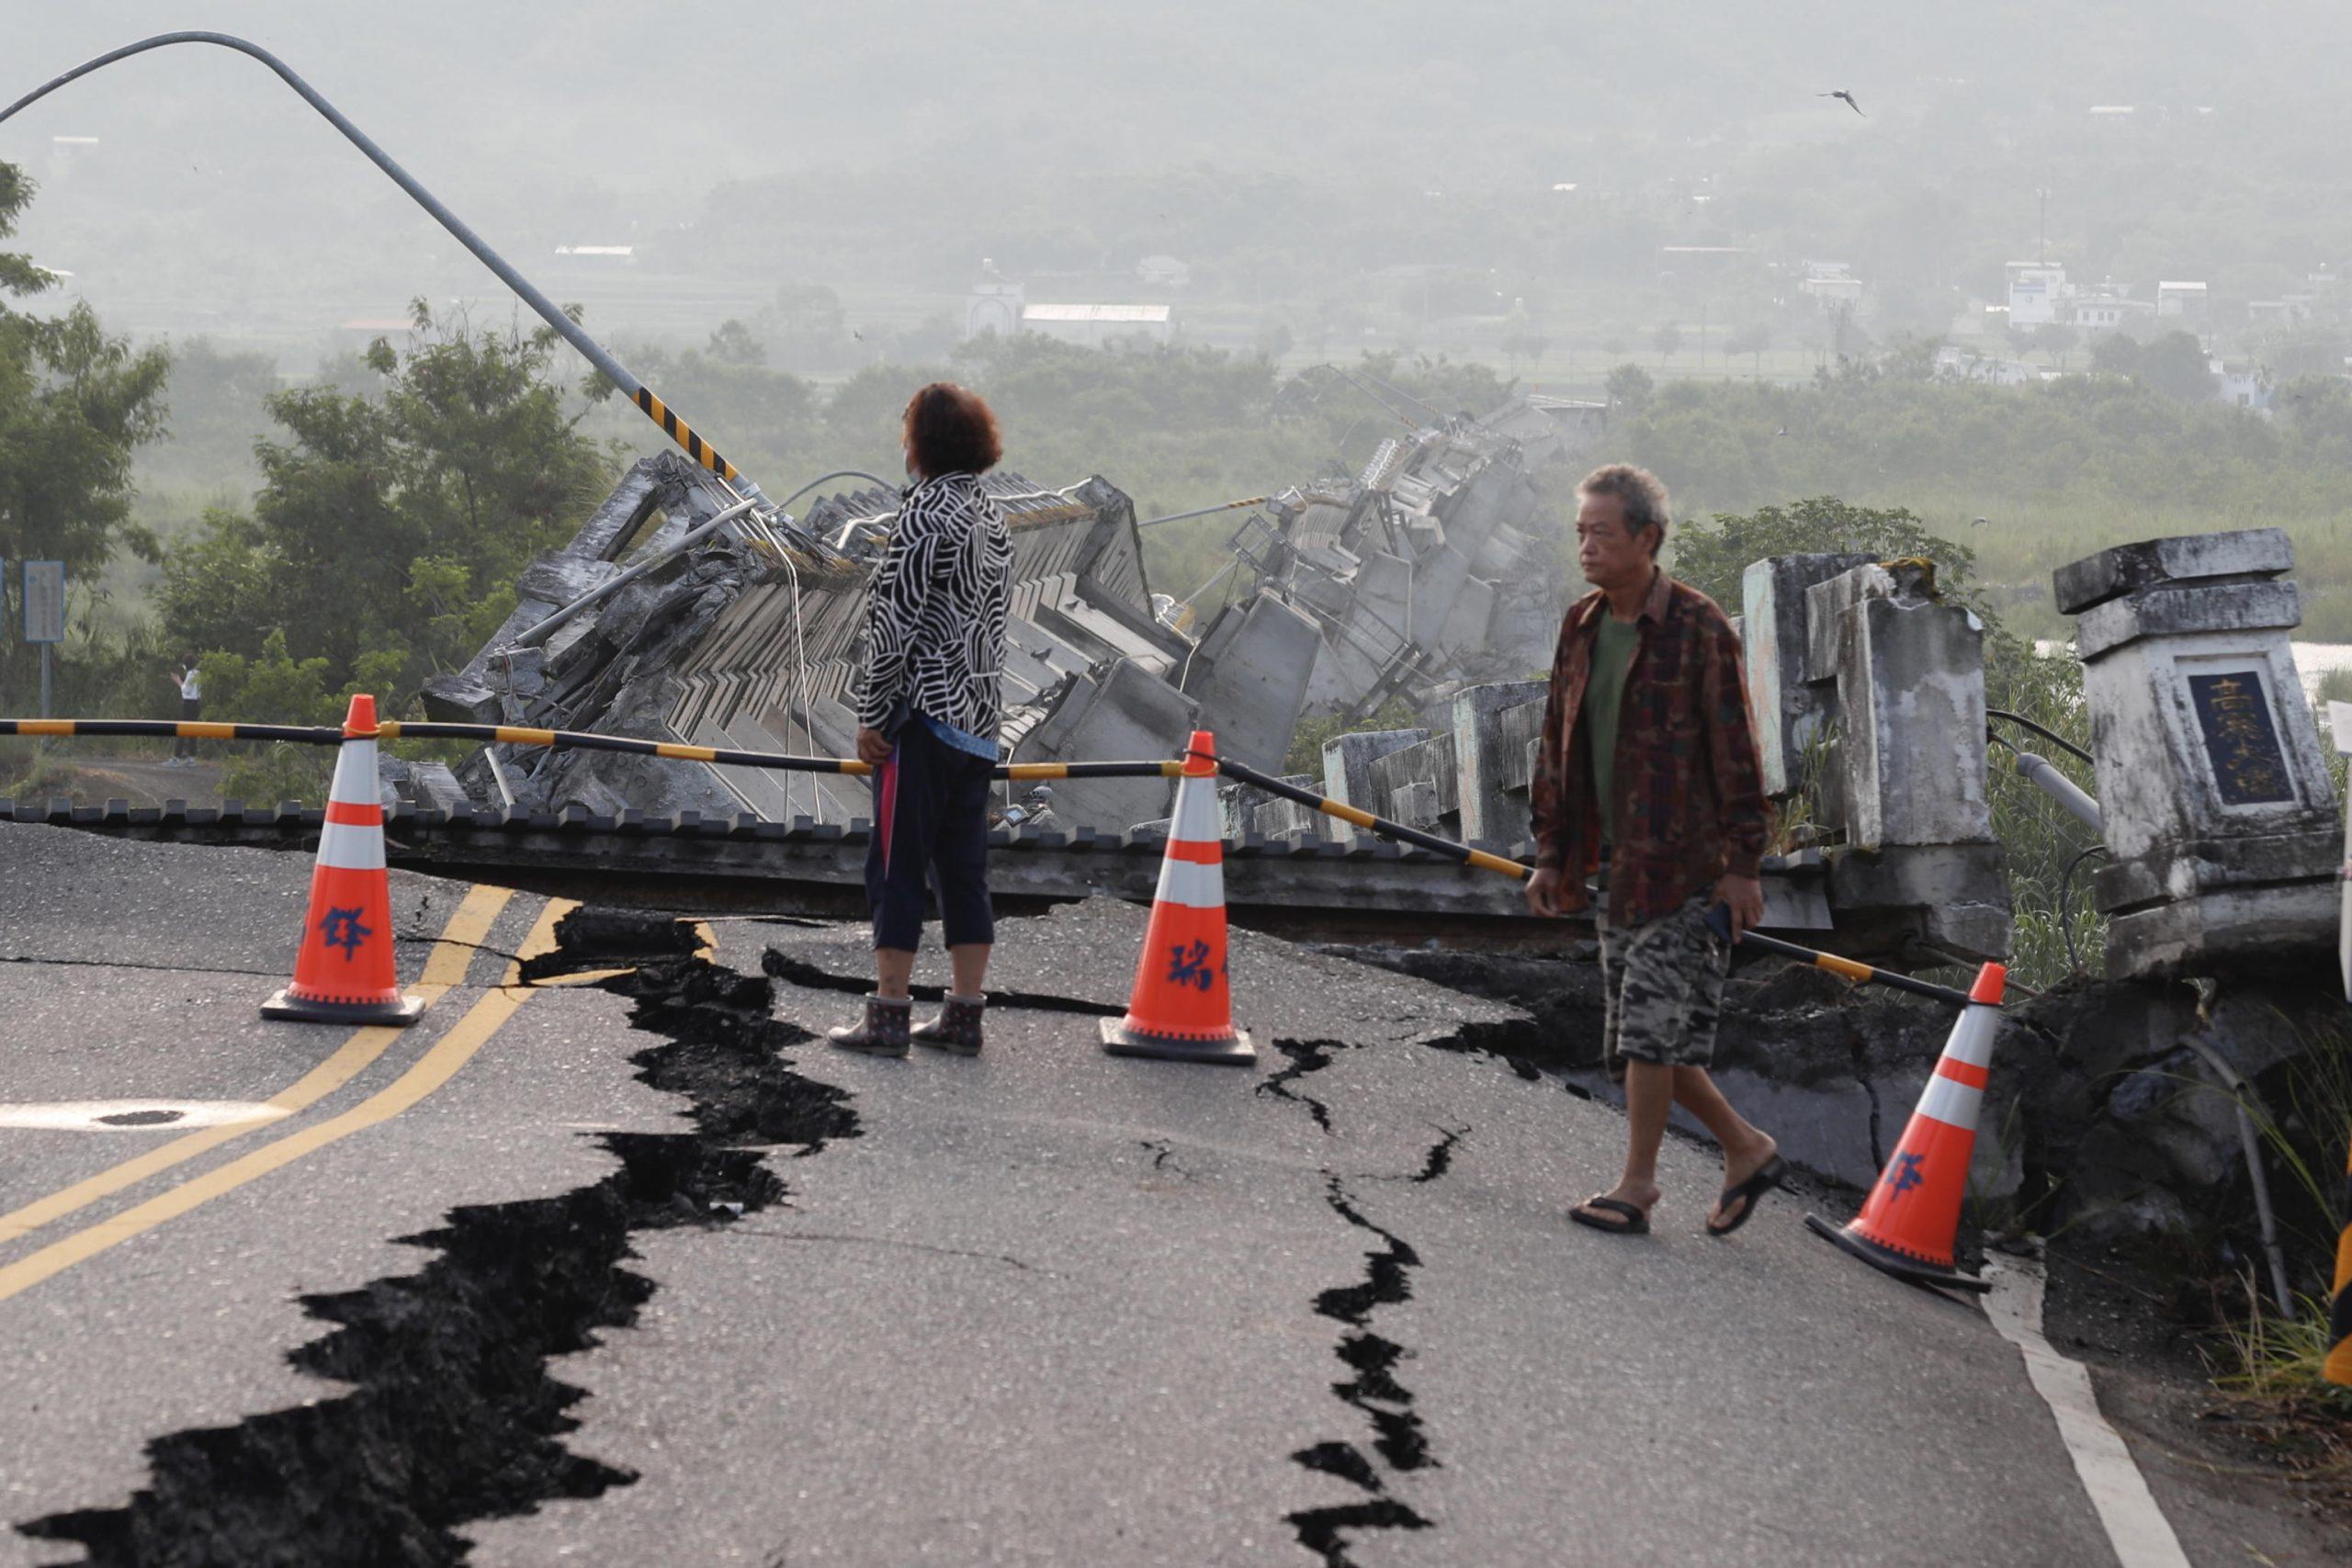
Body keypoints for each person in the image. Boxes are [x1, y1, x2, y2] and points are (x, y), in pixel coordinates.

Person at [1525, 464, 1787, 1237]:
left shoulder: (1700, 628)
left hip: (1688, 870)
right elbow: (1554, 746)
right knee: (1640, 1041)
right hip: (1614, 865)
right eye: (1580, 532)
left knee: (1645, 1030)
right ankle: (1747, 1146)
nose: (1587, 547)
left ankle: (1637, 1186)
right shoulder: (1579, 626)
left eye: (1602, 532)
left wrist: (1743, 867)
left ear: (1646, 537)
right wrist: (1549, 853)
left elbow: (1737, 751)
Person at [827, 383, 1014, 1058]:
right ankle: (964, 1015)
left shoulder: (924, 514)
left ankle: (889, 1014)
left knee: (895, 865)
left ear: (922, 443)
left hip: (925, 719)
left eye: (907, 432)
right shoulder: (991, 516)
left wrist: (873, 716)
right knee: (963, 869)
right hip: (980, 721)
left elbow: (896, 624)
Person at [169, 652, 202, 765]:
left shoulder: (191, 674)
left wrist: (178, 681)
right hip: (196, 704)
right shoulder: (198, 673)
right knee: (193, 731)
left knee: (182, 729)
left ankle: (176, 757)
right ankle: (191, 757)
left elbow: (185, 690)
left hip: (188, 704)